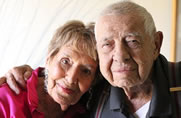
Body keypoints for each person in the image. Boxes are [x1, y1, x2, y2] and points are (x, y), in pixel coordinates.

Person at [1, 1, 181, 118]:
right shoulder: (9, 97)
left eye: (132, 41)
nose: (120, 55)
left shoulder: (85, 99)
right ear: (49, 58)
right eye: (107, 45)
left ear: (156, 45)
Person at [0, 20, 98, 118]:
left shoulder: (86, 111)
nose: (71, 79)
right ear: (49, 59)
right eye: (65, 62)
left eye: (86, 71)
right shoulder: (6, 98)